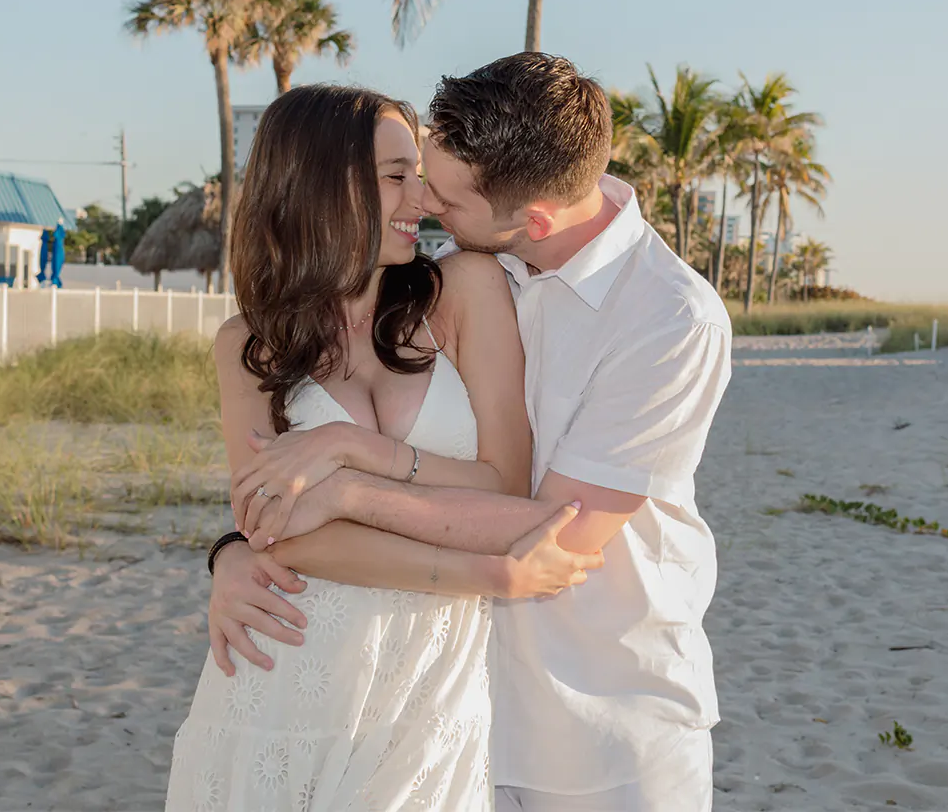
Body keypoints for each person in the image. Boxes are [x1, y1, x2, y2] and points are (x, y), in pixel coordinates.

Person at [211, 53, 734, 811]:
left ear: (534, 220)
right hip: (448, 699)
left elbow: (559, 529)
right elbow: (272, 489)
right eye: (410, 175)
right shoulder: (473, 264)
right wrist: (233, 548)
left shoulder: (666, 319)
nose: (424, 204)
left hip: (601, 714)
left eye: (441, 195)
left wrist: (351, 476)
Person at [165, 84, 597, 812]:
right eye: (396, 176)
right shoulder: (247, 345)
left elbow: (506, 488)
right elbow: (276, 533)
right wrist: (485, 576)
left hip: (431, 687)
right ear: (320, 185)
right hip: (284, 672)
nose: (422, 199)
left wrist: (351, 455)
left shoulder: (462, 290)